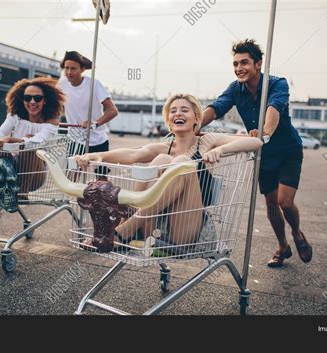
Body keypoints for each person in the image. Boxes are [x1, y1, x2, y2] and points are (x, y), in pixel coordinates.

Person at [75, 93, 262, 248]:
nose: (177, 114)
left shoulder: (206, 141)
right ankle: (125, 229)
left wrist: (219, 150)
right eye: (173, 111)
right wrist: (97, 155)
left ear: (197, 118)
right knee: (163, 159)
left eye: (184, 110)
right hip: (154, 227)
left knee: (181, 162)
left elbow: (256, 142)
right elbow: (133, 154)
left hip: (184, 229)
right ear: (169, 121)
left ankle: (122, 232)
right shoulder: (164, 148)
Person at [200, 39, 312, 267]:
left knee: (285, 202)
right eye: (235, 63)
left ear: (258, 64)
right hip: (263, 153)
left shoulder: (277, 83)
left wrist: (265, 133)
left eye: (244, 62)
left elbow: (274, 107)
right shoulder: (235, 88)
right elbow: (217, 107)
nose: (239, 68)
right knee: (271, 204)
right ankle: (283, 246)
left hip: (287, 150)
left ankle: (298, 234)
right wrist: (193, 126)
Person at [0, 77, 65, 194]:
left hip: (33, 176)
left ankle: (21, 194)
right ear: (22, 99)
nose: (32, 102)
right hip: (11, 169)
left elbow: (37, 141)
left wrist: (10, 139)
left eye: (37, 98)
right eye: (27, 98)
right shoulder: (15, 117)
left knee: (30, 148)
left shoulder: (51, 123)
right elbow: (0, 133)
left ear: (45, 101)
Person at [57, 50, 118, 156]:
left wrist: (95, 123)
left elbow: (112, 110)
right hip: (74, 140)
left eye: (73, 68)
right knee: (71, 172)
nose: (69, 72)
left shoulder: (94, 84)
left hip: (98, 141)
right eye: (66, 68)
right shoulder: (61, 83)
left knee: (100, 173)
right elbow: (54, 106)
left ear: (82, 69)